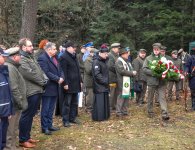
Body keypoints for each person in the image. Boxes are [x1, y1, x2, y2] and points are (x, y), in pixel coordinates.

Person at [18, 38, 48, 148]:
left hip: (37, 89)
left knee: (31, 115)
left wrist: (45, 79)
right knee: (26, 115)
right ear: (23, 47)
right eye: (29, 46)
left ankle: (27, 136)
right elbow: (29, 74)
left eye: (31, 45)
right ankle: (22, 139)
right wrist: (43, 82)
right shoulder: (22, 59)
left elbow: (39, 70)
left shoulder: (31, 57)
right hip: (30, 91)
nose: (32, 47)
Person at [38, 42, 64, 135]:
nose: (56, 50)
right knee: (45, 108)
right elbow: (46, 72)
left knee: (51, 108)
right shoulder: (42, 58)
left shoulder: (55, 57)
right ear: (48, 50)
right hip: (48, 87)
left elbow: (60, 69)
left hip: (56, 86)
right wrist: (57, 79)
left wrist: (61, 77)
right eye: (54, 49)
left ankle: (49, 125)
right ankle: (44, 128)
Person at [4, 47, 28, 150]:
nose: (21, 57)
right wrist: (20, 102)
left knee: (14, 128)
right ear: (14, 57)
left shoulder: (13, 67)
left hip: (16, 104)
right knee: (11, 128)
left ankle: (13, 146)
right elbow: (14, 88)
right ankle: (9, 147)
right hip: (14, 104)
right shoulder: (10, 68)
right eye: (19, 55)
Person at [143, 43, 169, 120]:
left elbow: (167, 68)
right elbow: (144, 69)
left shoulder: (163, 58)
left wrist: (165, 72)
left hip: (162, 82)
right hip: (152, 81)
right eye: (155, 50)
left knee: (162, 97)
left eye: (157, 50)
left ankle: (164, 113)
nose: (156, 51)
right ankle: (150, 111)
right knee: (150, 97)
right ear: (153, 50)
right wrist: (153, 72)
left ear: (160, 50)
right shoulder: (148, 58)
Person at [59, 41, 82, 127]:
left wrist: (81, 81)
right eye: (73, 47)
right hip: (68, 84)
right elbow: (63, 71)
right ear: (68, 48)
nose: (74, 49)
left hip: (76, 83)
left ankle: (72, 117)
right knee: (67, 103)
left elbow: (78, 70)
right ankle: (65, 120)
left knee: (74, 102)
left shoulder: (74, 56)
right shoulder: (63, 57)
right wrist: (65, 83)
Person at [115, 48, 137, 117]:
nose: (128, 54)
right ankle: (118, 112)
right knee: (121, 96)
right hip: (122, 81)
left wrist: (132, 72)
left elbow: (130, 68)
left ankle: (124, 111)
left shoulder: (126, 61)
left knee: (126, 96)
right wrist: (132, 73)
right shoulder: (119, 61)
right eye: (126, 53)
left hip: (127, 81)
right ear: (122, 54)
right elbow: (122, 71)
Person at [92, 44, 110, 121]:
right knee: (100, 103)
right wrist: (104, 81)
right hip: (99, 85)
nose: (107, 55)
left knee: (105, 102)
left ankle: (105, 116)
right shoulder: (96, 61)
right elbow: (97, 74)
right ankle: (99, 117)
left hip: (104, 85)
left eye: (107, 54)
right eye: (105, 54)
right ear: (101, 53)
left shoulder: (104, 60)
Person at [0, 48, 13, 150]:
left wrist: (7, 111)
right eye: (2, 56)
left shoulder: (3, 71)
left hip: (4, 113)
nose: (4, 58)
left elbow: (6, 93)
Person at [84, 48, 98, 112]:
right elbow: (88, 70)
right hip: (89, 81)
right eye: (95, 53)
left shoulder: (93, 59)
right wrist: (96, 70)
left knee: (93, 95)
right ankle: (89, 108)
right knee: (89, 95)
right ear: (91, 53)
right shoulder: (88, 60)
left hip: (93, 80)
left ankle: (92, 106)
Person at [108, 43, 120, 111]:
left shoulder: (116, 55)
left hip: (116, 77)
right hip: (112, 77)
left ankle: (114, 105)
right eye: (118, 48)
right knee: (112, 93)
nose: (119, 49)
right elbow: (110, 66)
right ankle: (110, 106)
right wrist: (119, 70)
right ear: (113, 48)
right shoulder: (110, 55)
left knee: (116, 93)